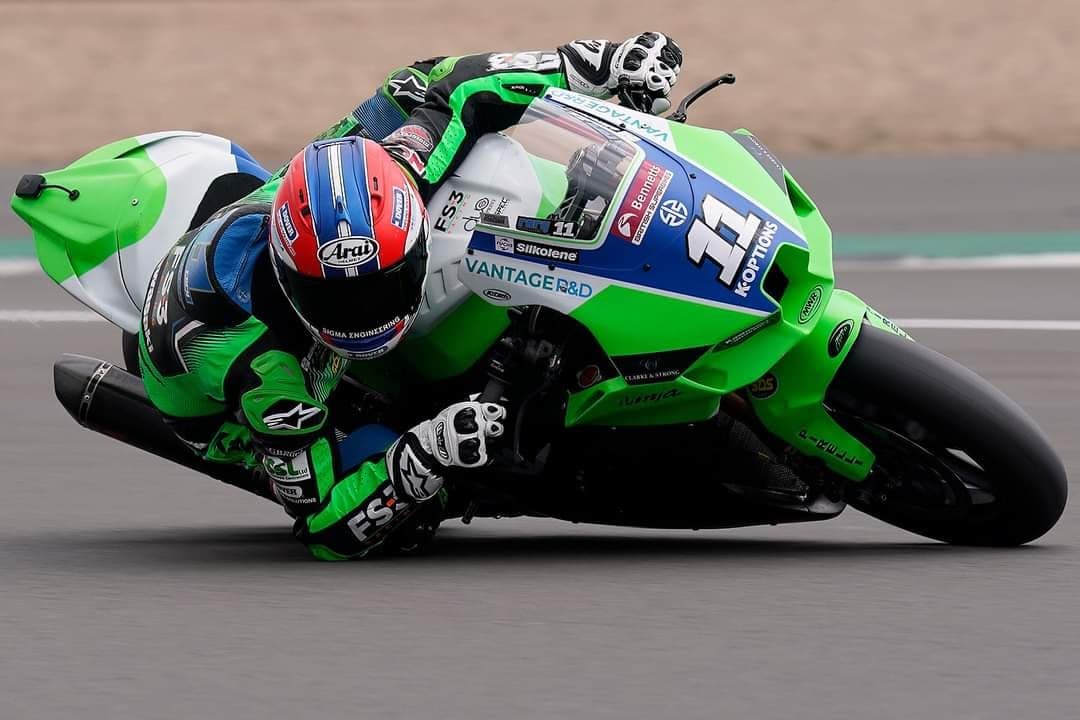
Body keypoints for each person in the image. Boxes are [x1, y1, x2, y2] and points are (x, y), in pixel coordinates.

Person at [138, 33, 684, 560]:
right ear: (288, 271)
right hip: (227, 409)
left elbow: (441, 83)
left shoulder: (382, 163)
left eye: (383, 285)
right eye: (338, 300)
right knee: (421, 499)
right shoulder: (268, 383)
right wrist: (424, 455)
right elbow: (323, 527)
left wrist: (598, 64)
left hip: (250, 262)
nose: (363, 315)